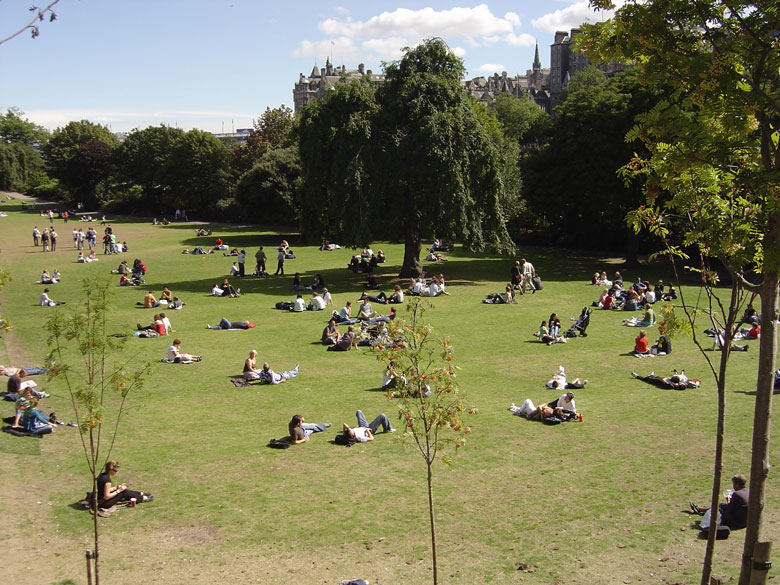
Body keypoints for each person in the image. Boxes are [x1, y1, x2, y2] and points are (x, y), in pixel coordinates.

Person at [631, 370, 700, 389]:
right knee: (654, 377)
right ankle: (651, 375)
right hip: (661, 379)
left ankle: (637, 376)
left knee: (646, 379)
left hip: (658, 382)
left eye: (681, 384)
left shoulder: (672, 386)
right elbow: (696, 384)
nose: (681, 383)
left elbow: (665, 382)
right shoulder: (684, 384)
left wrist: (667, 379)